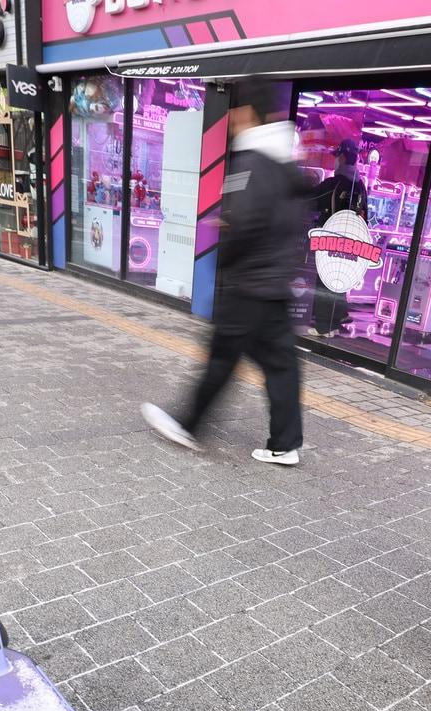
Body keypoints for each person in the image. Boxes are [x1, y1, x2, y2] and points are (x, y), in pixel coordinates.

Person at [140, 80, 307, 466]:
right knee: (282, 367)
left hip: (246, 286)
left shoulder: (249, 163)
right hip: (274, 287)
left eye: (236, 110)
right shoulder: (288, 168)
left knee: (221, 361)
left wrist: (226, 252)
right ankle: (285, 443)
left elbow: (243, 224)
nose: (230, 119)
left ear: (249, 114)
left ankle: (187, 425)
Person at [308, 139, 368, 337]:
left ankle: (324, 326)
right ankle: (336, 317)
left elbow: (309, 200)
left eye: (337, 157)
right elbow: (365, 214)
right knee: (340, 279)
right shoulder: (360, 186)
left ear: (342, 158)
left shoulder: (334, 183)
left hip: (329, 239)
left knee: (325, 279)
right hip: (351, 242)